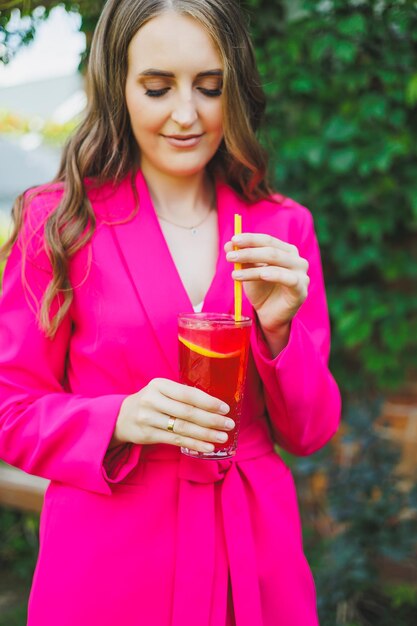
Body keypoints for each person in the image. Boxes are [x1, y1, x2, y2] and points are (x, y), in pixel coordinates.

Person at [0, 1, 341, 625]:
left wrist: (279, 329)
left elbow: (311, 430)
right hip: (110, 555)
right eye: (157, 87)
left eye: (209, 87)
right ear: (116, 86)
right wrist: (118, 417)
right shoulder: (58, 224)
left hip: (254, 551)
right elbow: (9, 406)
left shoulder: (282, 227)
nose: (187, 114)